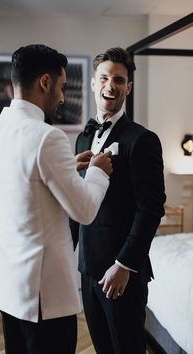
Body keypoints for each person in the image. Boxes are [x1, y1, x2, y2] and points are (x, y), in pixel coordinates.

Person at [0, 44, 113, 354]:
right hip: (43, 295)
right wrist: (97, 172)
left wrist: (66, 167)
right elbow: (85, 210)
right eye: (62, 87)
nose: (63, 97)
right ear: (45, 82)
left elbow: (25, 185)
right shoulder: (47, 137)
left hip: (9, 285)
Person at [70, 47, 166, 354]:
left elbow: (151, 208)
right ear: (94, 83)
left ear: (128, 87)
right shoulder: (83, 138)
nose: (111, 85)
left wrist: (124, 264)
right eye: (105, 78)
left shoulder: (142, 139)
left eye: (119, 79)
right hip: (88, 268)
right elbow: (78, 201)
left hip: (122, 272)